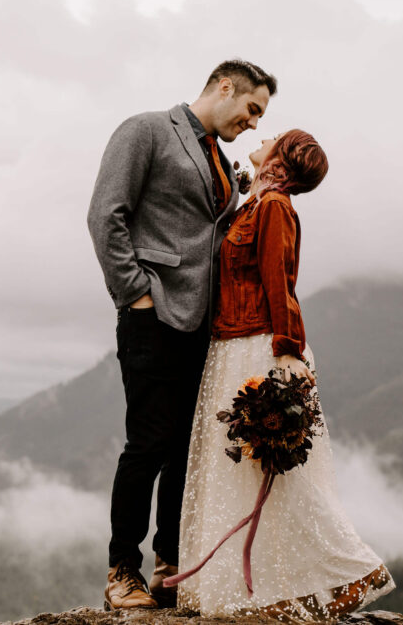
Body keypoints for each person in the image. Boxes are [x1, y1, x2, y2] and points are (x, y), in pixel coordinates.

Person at [175, 131, 395, 619]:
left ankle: (357, 569)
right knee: (242, 475)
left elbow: (280, 278)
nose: (264, 134)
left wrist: (287, 350)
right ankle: (268, 590)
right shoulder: (254, 204)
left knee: (274, 474)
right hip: (230, 345)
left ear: (283, 158)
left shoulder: (274, 206)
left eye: (275, 135)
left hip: (258, 345)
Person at [87, 59, 277, 610]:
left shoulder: (219, 157)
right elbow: (106, 215)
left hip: (204, 326)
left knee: (185, 450)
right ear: (224, 87)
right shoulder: (145, 129)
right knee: (148, 442)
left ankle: (170, 570)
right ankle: (123, 571)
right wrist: (135, 294)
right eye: (252, 108)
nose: (254, 123)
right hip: (153, 315)